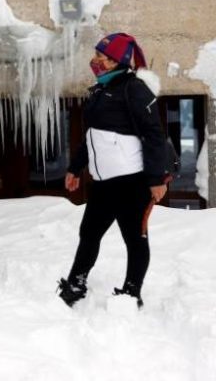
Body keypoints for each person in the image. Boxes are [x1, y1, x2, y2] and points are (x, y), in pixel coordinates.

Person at [57, 33, 167, 308]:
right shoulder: (99, 90)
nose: (97, 61)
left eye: (104, 58)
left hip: (133, 182)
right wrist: (75, 167)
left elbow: (154, 135)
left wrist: (156, 179)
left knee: (134, 238)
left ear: (119, 62)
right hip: (104, 183)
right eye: (97, 55)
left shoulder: (134, 89)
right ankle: (76, 282)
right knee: (89, 233)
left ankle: (132, 292)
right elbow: (92, 136)